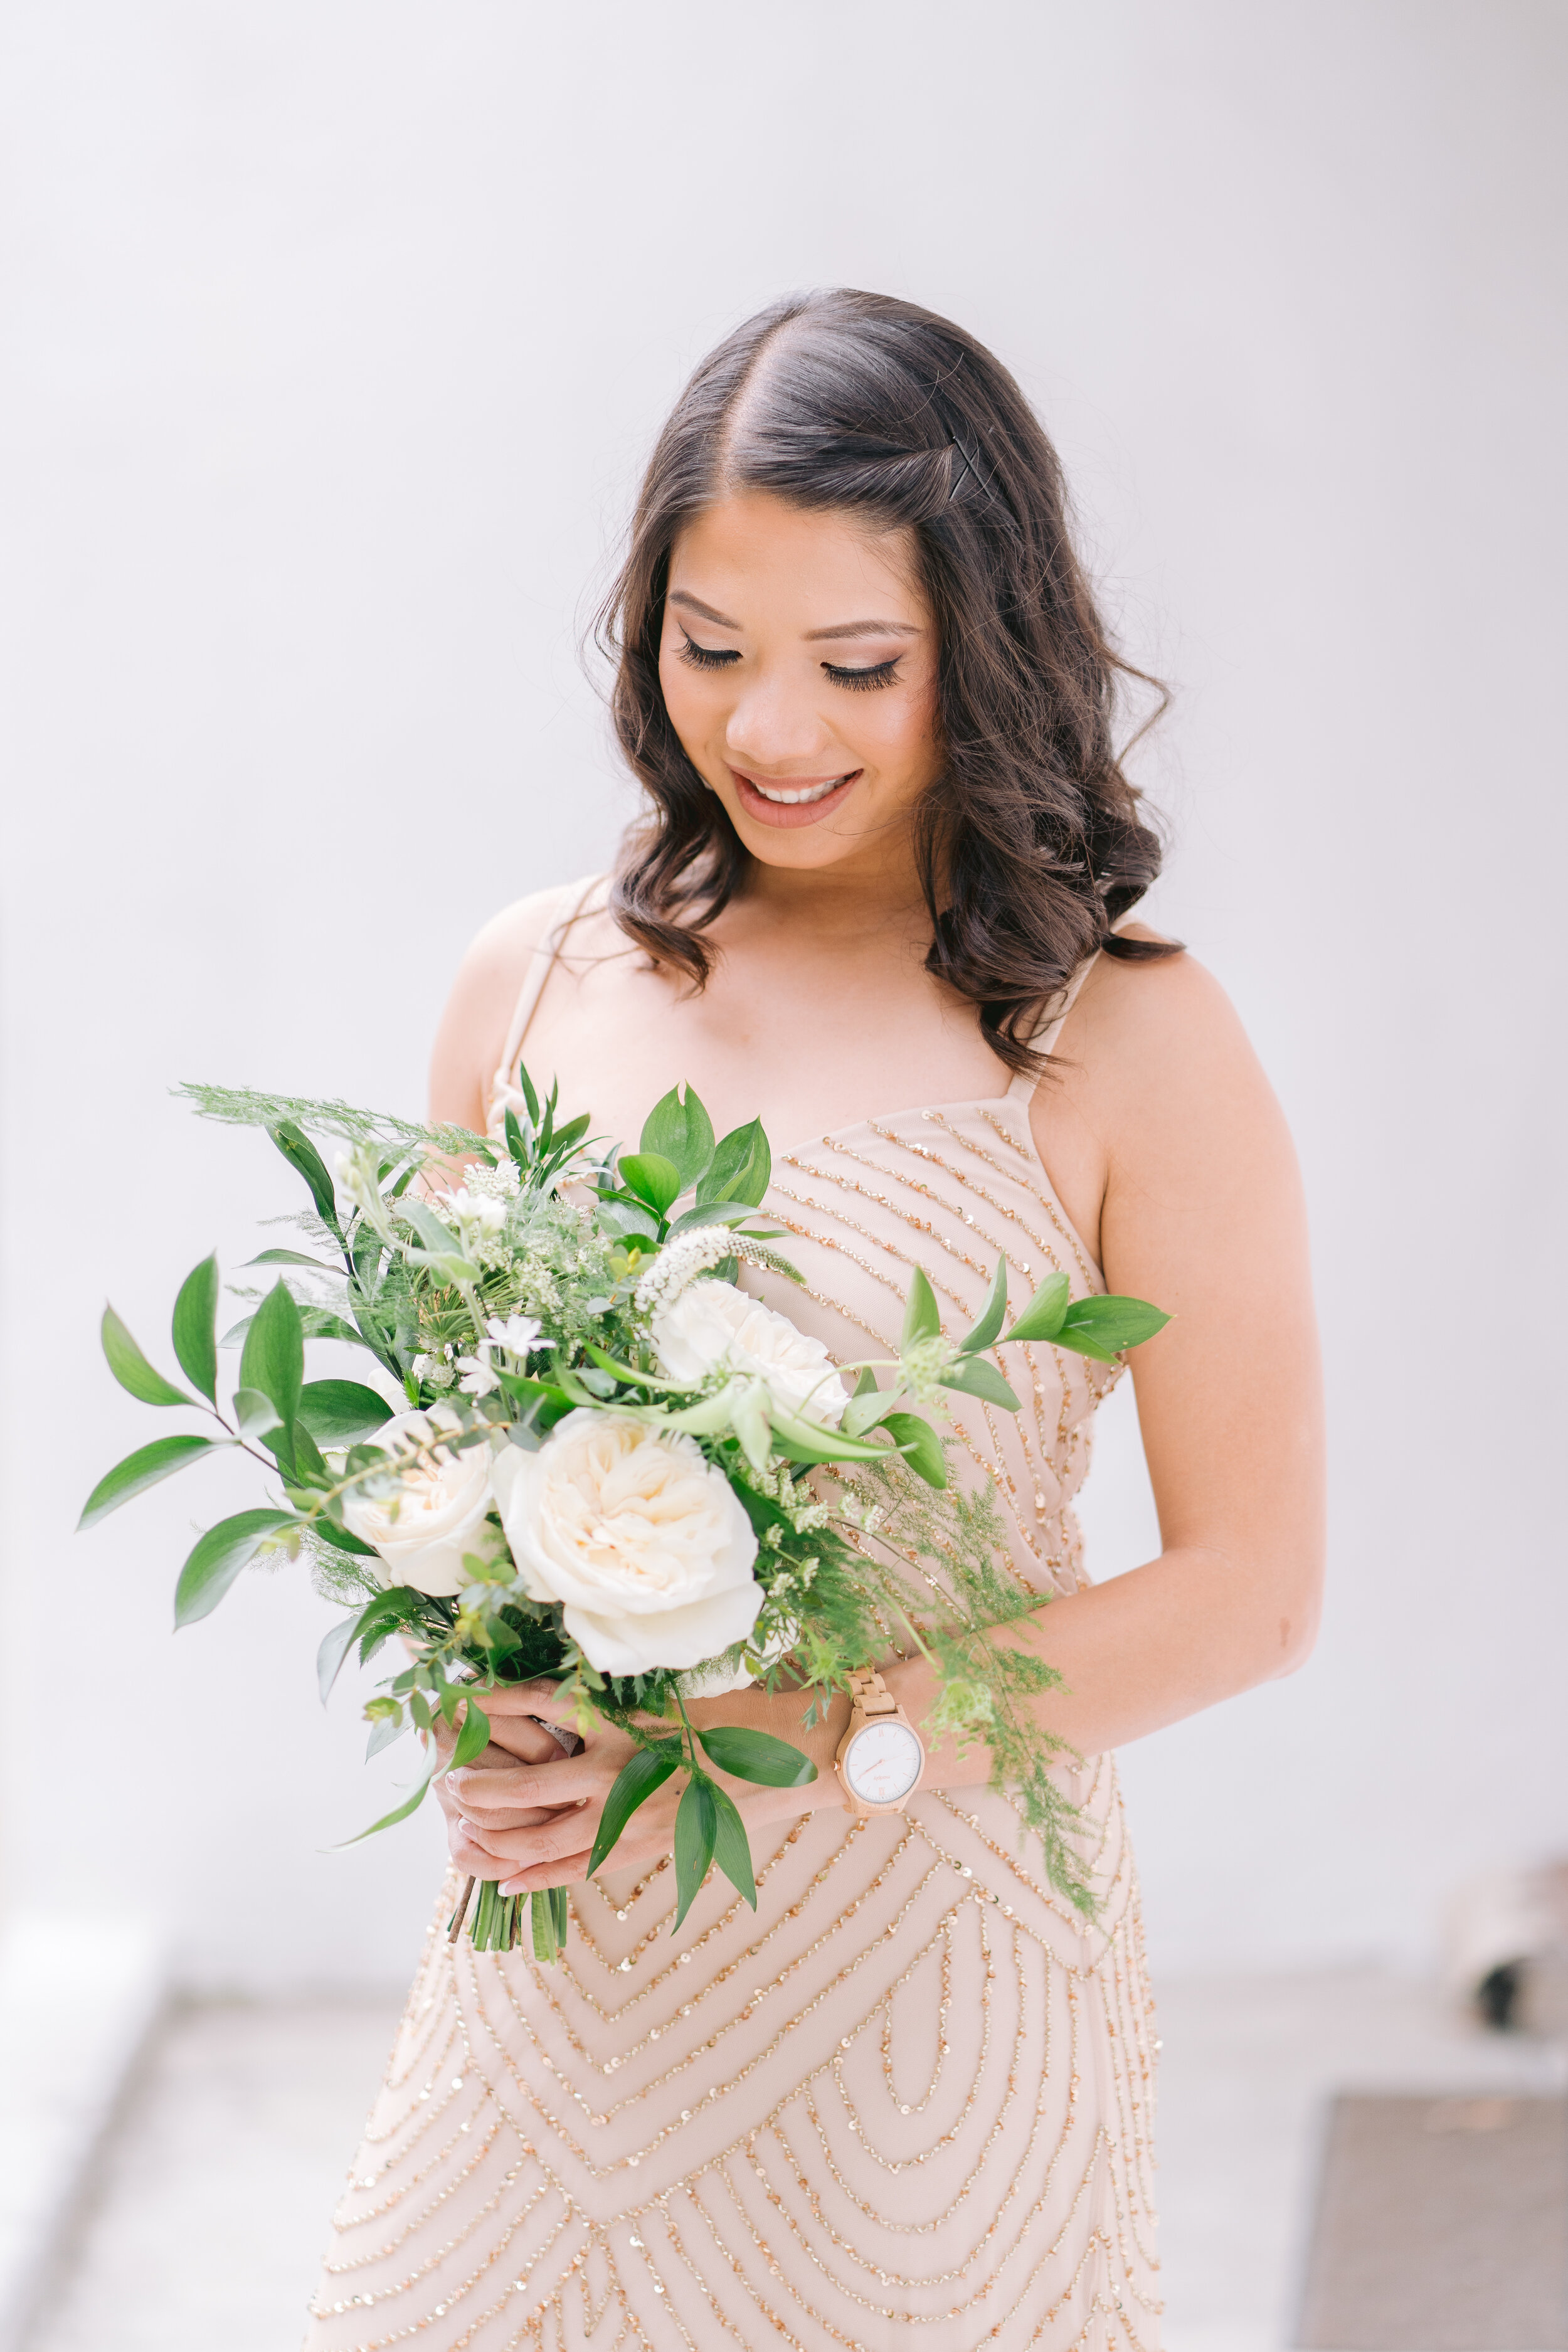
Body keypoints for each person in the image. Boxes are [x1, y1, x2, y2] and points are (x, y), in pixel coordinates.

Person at [302, 289, 1323, 2352]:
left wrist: (788, 1750)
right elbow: (451, 1487)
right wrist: (475, 1711)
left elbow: (1250, 1592)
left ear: (988, 639)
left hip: (931, 2001)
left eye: (856, 664)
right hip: (562, 1978)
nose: (771, 729)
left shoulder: (1124, 1040)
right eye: (709, 648)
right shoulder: (529, 982)